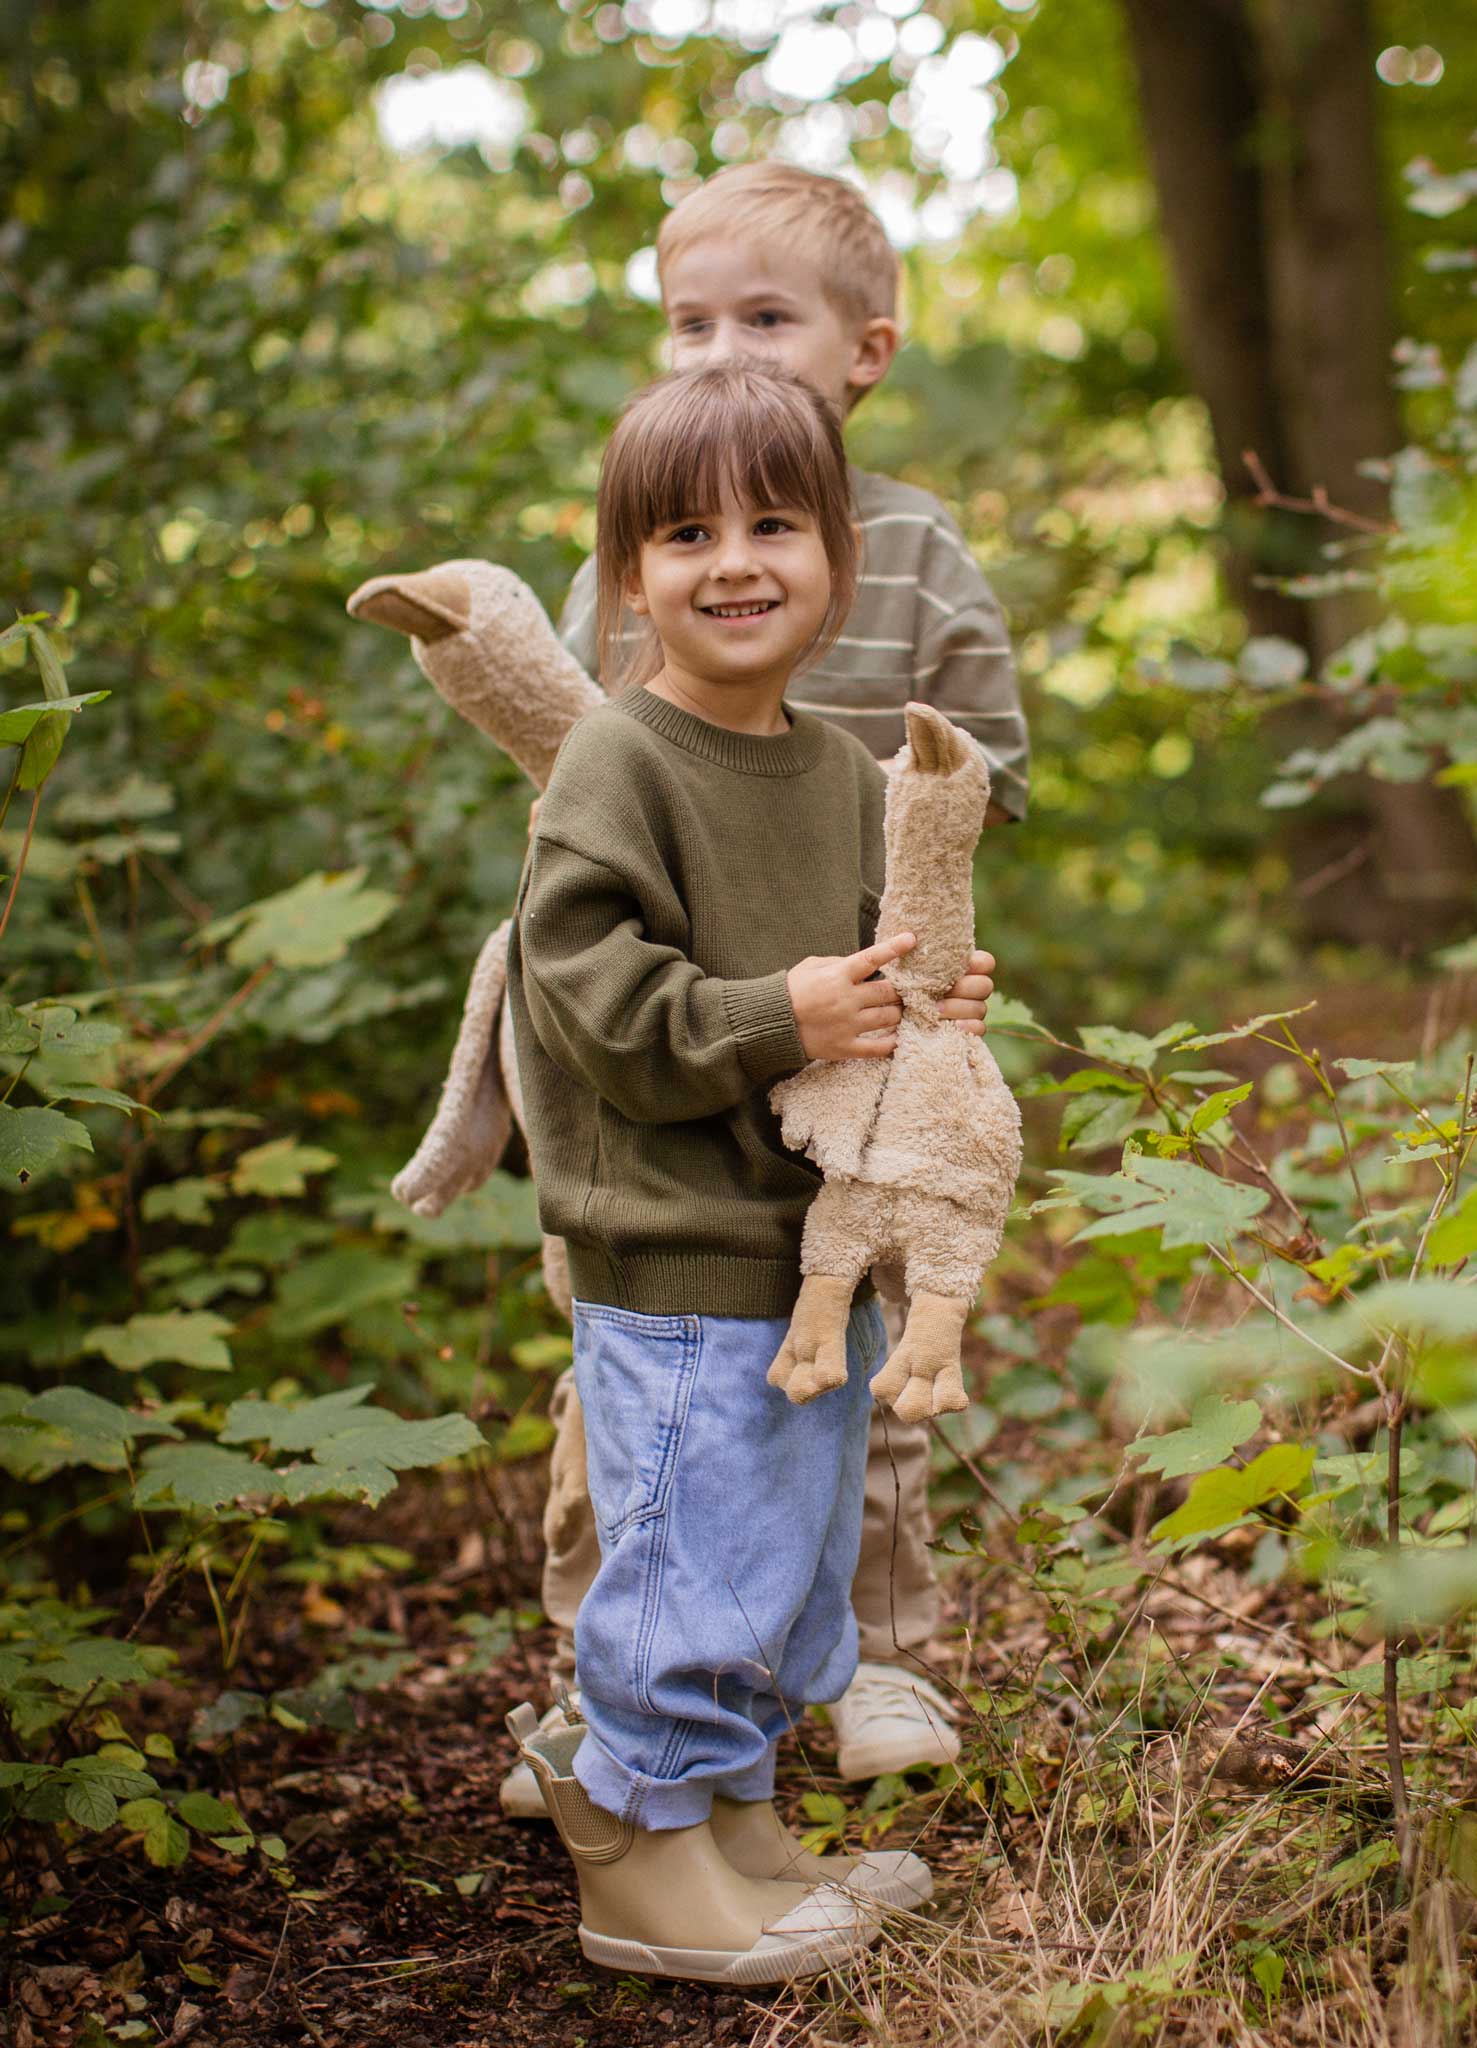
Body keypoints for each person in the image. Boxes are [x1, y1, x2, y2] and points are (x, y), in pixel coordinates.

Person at [504, 162, 1029, 1818]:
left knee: (851, 1348)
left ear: (865, 350)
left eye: (765, 317)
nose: (720, 345)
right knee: (636, 1388)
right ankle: (615, 1696)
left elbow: (978, 776)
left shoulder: (908, 551)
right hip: (686, 1051)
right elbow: (610, 783)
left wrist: (919, 953)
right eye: (689, 321)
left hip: (854, 1022)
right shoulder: (660, 554)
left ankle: (865, 1653)